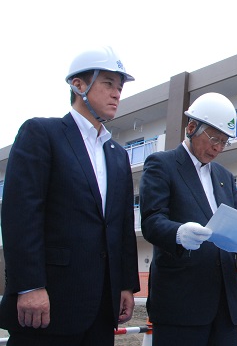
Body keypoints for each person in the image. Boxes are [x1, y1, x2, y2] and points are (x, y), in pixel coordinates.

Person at [0, 46, 140, 345]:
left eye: (119, 87)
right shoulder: (42, 133)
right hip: (48, 305)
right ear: (78, 85)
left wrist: (126, 285)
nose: (117, 93)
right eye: (108, 84)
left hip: (102, 308)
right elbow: (21, 216)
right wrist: (29, 286)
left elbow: (121, 227)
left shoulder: (117, 154)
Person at [139, 92, 237, 346]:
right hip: (181, 303)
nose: (218, 148)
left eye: (225, 142)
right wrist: (178, 233)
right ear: (191, 127)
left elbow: (231, 232)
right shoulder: (162, 164)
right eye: (214, 138)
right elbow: (151, 221)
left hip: (224, 304)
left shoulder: (225, 176)